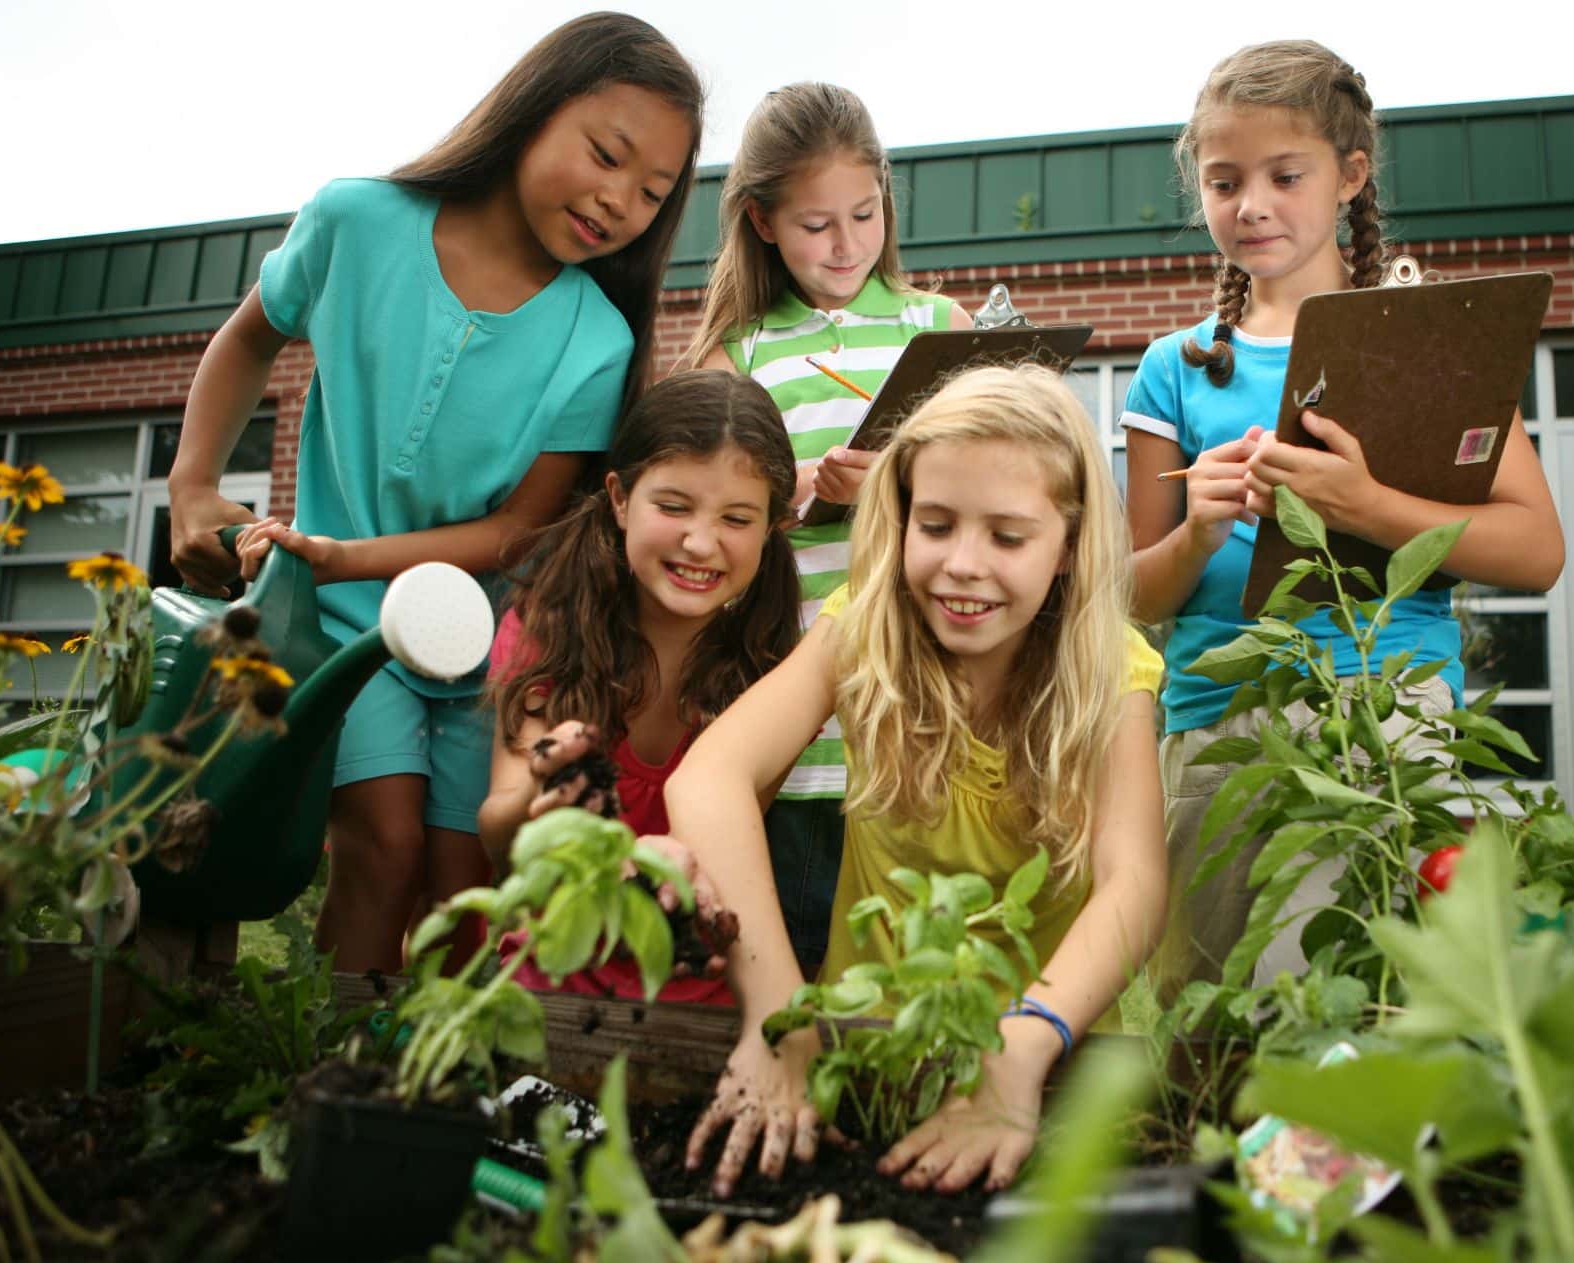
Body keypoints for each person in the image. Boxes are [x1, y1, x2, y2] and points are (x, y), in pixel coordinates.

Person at [165, 13, 703, 973]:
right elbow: (249, 338)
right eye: (607, 156)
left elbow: (515, 532)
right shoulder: (357, 220)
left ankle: (443, 1103)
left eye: (653, 193)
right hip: (337, 621)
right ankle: (334, 1084)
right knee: (384, 847)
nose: (622, 201)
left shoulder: (598, 340)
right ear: (534, 110)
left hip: (479, 640)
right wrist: (194, 482)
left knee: (466, 882)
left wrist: (343, 553)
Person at [1121, 40, 1564, 996]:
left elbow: (1537, 552)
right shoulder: (1176, 368)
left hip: (1393, 713)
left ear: (1350, 175)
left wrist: (1366, 505)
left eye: (1287, 175)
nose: (1253, 206)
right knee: (1215, 1013)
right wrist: (1196, 529)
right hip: (1218, 730)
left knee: (1398, 1006)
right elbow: (1129, 594)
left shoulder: (1425, 342)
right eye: (1224, 180)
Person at [666, 365, 1168, 1197]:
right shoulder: (862, 632)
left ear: (1071, 545)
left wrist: (1022, 1050)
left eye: (1008, 538)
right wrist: (782, 1016)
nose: (961, 566)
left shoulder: (1111, 670)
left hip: (1038, 1072)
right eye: (935, 525)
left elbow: (1135, 884)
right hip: (858, 1061)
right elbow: (711, 780)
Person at [679, 82, 974, 977]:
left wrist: (903, 484)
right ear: (763, 223)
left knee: (930, 974)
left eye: (864, 214)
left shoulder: (942, 326)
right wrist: (792, 491)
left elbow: (1016, 492)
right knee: (807, 960)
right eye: (816, 225)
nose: (846, 245)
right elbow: (698, 523)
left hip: (939, 714)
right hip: (801, 731)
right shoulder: (741, 353)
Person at [477, 369, 801, 1005]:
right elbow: (499, 839)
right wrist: (550, 786)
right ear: (620, 499)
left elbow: (727, 861)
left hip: (694, 981)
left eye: (737, 518)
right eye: (673, 506)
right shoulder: (548, 627)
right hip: (555, 969)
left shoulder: (774, 671)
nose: (700, 542)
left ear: (772, 528)